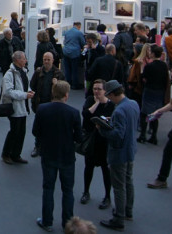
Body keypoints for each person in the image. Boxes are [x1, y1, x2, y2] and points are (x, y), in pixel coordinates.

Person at [31, 80, 82, 232]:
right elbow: (79, 138)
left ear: (53, 93)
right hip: (67, 155)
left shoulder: (42, 109)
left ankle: (47, 221)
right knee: (68, 191)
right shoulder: (73, 113)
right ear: (66, 95)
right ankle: (68, 222)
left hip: (48, 154)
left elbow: (35, 131)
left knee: (48, 188)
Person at [97, 80, 140, 230]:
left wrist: (102, 129)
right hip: (130, 149)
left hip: (119, 152)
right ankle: (128, 211)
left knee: (118, 186)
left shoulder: (119, 111)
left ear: (113, 93)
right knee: (129, 181)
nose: (109, 98)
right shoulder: (133, 104)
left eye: (109, 95)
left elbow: (117, 134)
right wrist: (113, 121)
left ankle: (118, 218)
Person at [79, 79, 114, 210]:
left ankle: (107, 196)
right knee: (89, 167)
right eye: (94, 89)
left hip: (104, 142)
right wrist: (97, 103)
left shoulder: (111, 105)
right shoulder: (90, 100)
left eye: (99, 89)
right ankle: (86, 192)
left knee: (106, 170)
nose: (96, 91)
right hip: (91, 141)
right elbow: (85, 114)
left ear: (105, 91)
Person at [0, 51, 35, 165]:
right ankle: (6, 154)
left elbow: (25, 85)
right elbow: (8, 92)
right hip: (15, 107)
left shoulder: (23, 71)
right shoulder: (9, 74)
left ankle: (16, 154)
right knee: (14, 131)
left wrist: (28, 91)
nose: (25, 60)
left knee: (21, 132)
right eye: (24, 59)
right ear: (17, 60)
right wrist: (25, 95)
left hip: (23, 106)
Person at [30, 51, 66, 157]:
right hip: (40, 104)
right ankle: (38, 146)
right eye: (45, 59)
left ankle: (50, 148)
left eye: (48, 59)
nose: (46, 61)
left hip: (53, 104)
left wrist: (56, 84)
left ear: (53, 60)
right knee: (40, 126)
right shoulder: (38, 72)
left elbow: (64, 90)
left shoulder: (59, 74)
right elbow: (32, 85)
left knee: (53, 127)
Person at [138, 45, 168, 144]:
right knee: (155, 114)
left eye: (150, 51)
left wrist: (142, 67)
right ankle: (154, 136)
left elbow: (143, 78)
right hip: (160, 91)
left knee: (144, 113)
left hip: (149, 90)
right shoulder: (164, 66)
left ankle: (143, 134)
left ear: (153, 53)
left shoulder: (149, 66)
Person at [63, 22, 87, 90]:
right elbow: (83, 43)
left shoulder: (67, 32)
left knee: (67, 69)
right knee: (74, 69)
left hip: (66, 52)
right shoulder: (79, 33)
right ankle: (75, 84)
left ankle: (68, 83)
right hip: (74, 53)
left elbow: (64, 42)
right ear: (79, 26)